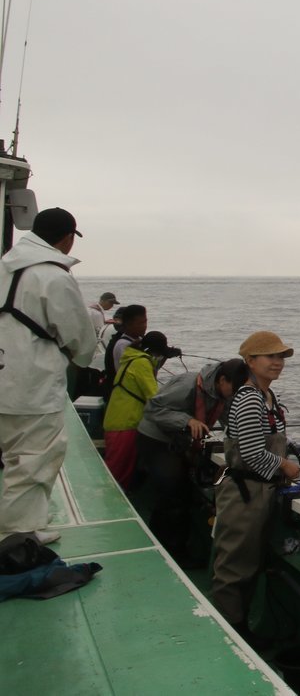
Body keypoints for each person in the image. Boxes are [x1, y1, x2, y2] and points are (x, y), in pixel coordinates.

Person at [0, 208, 97, 545]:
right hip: (33, 387)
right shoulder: (54, 276)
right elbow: (80, 338)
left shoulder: (4, 267)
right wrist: (82, 357)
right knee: (31, 460)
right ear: (67, 238)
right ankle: (19, 535)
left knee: (7, 457)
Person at [210, 331, 300, 643]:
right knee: (234, 568)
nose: (278, 363)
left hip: (259, 492)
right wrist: (285, 465)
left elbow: (265, 436)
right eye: (270, 357)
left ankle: (240, 630)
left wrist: (292, 450)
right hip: (244, 495)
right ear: (250, 361)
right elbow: (250, 452)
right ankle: (228, 637)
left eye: (281, 357)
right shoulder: (249, 398)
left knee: (249, 565)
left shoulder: (266, 396)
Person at [137, 358, 250, 564]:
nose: (235, 395)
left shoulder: (222, 394)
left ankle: (164, 540)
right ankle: (172, 550)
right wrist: (187, 420)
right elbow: (152, 409)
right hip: (155, 439)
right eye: (234, 390)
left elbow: (230, 420)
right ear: (222, 380)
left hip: (178, 441)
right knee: (174, 492)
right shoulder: (187, 385)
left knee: (181, 492)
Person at [102, 330, 179, 489]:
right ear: (153, 352)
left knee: (118, 472)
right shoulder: (141, 363)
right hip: (125, 424)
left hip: (118, 421)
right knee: (116, 477)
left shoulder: (132, 358)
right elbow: (154, 397)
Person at [102, 304, 147, 387]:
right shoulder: (122, 344)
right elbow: (133, 375)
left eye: (145, 322)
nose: (145, 326)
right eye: (141, 323)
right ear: (128, 324)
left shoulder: (137, 340)